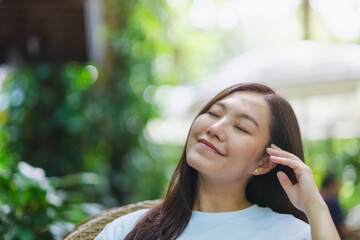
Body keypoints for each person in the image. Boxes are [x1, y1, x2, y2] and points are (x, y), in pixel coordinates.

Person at [95, 83, 340, 240]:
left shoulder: (293, 234)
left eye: (242, 128)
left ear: (265, 162)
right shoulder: (126, 231)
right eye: (213, 113)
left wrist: (315, 206)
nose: (215, 128)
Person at [321, 173, 360, 239]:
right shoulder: (331, 202)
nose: (339, 188)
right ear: (332, 185)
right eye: (337, 185)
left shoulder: (321, 199)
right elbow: (342, 230)